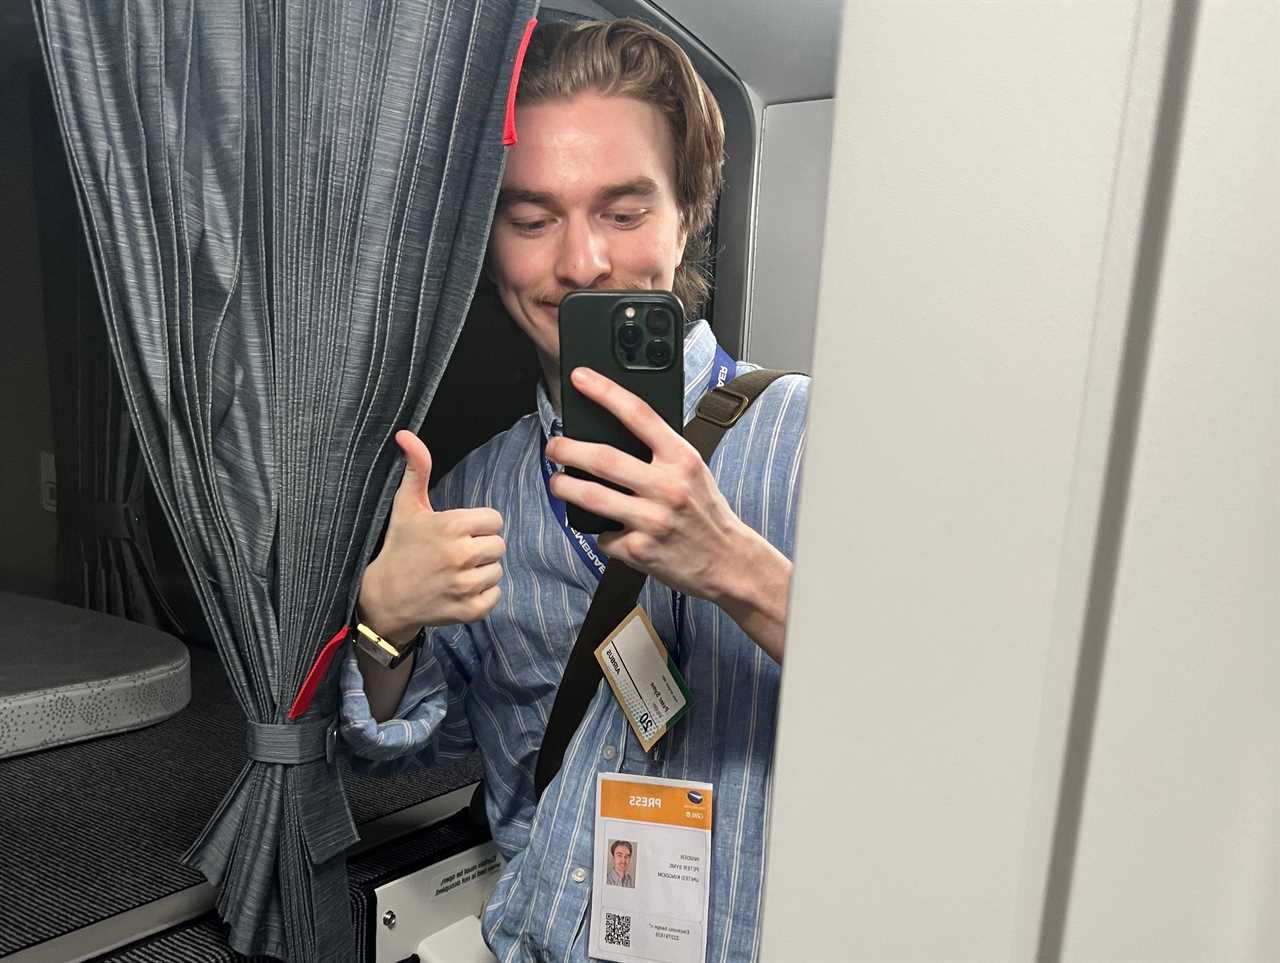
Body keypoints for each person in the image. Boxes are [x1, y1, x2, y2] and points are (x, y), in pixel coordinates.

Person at [340, 18, 809, 962]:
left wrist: (740, 571)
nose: (581, 263)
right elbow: (402, 747)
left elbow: (943, 720)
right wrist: (384, 623)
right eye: (532, 218)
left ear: (687, 219)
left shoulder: (817, 443)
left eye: (625, 211)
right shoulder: (475, 491)